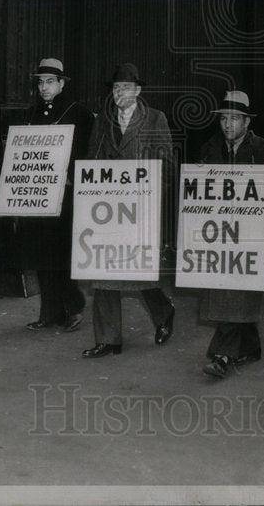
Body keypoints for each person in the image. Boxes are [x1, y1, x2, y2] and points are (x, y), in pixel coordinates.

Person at [80, 63, 176, 358]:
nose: (119, 92)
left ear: (138, 91)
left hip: (140, 210)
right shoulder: (103, 121)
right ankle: (108, 339)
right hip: (106, 210)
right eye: (115, 87)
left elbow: (168, 167)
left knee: (139, 272)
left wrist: (148, 188)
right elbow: (91, 160)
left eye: (125, 87)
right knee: (102, 270)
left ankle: (163, 312)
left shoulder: (155, 119)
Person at [196, 91, 264, 378]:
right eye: (223, 119)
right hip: (219, 236)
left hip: (251, 238)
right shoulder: (209, 149)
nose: (227, 125)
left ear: (247, 121)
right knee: (227, 292)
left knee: (236, 293)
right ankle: (250, 347)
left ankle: (222, 355)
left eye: (234, 119)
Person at [13, 59, 94, 332]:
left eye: (50, 82)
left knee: (61, 253)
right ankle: (49, 312)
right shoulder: (30, 114)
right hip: (37, 195)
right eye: (40, 82)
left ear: (61, 84)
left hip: (66, 195)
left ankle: (73, 307)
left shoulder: (79, 114)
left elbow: (86, 155)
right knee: (40, 252)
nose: (44, 87)